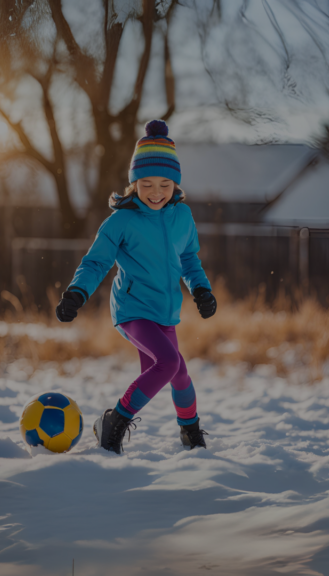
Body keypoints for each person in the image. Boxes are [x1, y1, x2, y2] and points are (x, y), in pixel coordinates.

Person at [55, 119, 217, 454]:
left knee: (179, 376)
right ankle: (113, 423)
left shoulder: (182, 217)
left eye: (164, 184)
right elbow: (96, 261)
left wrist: (201, 289)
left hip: (165, 311)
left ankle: (190, 433)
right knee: (169, 364)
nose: (156, 192)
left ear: (175, 184)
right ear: (133, 183)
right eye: (146, 184)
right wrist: (76, 293)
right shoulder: (122, 221)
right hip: (132, 310)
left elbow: (189, 259)